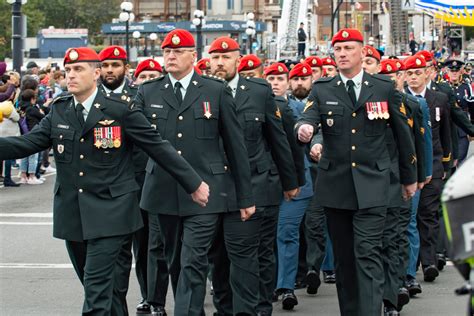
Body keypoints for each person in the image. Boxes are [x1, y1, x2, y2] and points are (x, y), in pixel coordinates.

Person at [0, 47, 209, 316]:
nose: (71, 75)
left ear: (96, 73)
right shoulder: (60, 110)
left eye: (78, 69)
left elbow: (157, 146)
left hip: (112, 213)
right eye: (68, 71)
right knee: (103, 292)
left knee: (97, 292)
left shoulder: (121, 110)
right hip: (73, 214)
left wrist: (193, 183)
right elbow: (27, 143)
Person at [296, 28, 417, 316]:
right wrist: (305, 129)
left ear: (362, 52)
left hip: (374, 184)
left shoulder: (383, 87)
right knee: (345, 262)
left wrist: (410, 178)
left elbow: (403, 136)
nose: (341, 53)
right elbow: (307, 116)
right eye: (337, 49)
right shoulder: (323, 88)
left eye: (348, 48)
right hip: (336, 187)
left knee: (368, 255)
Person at [135, 29, 255, 316]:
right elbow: (136, 138)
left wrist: (245, 196)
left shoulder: (215, 90)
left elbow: (235, 146)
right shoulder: (148, 91)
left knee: (193, 259)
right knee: (175, 261)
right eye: (166, 51)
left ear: (193, 56)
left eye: (178, 51)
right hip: (163, 191)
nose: (171, 56)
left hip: (206, 191)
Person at [208, 36, 298, 316]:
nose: (220, 63)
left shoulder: (258, 91)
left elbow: (277, 138)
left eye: (226, 57)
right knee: (220, 258)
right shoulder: (204, 91)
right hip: (218, 188)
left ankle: (260, 307)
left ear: (238, 59)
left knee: (259, 253)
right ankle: (225, 308)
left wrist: (291, 182)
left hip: (259, 184)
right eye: (215, 58)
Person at [98, 44, 151, 314]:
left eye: (115, 65)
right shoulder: (90, 97)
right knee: (115, 254)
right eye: (105, 66)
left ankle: (148, 296)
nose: (110, 71)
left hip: (140, 184)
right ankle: (116, 304)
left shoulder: (138, 97)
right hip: (107, 192)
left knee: (143, 248)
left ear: (125, 69)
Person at [267, 62, 313, 311]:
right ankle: (269, 284)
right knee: (267, 237)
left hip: (296, 182)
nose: (275, 83)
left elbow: (307, 134)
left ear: (287, 82)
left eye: (279, 78)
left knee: (286, 233)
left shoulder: (299, 108)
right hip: (265, 182)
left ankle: (285, 287)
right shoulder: (256, 105)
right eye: (270, 78)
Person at [404, 54, 452, 283]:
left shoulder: (439, 99)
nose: (413, 77)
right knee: (411, 218)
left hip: (433, 164)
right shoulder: (401, 100)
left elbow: (446, 134)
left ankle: (430, 261)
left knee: (428, 214)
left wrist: (446, 162)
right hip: (410, 168)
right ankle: (411, 265)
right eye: (409, 74)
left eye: (417, 73)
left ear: (426, 74)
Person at [444, 59, 473, 165]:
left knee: (461, 160)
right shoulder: (443, 87)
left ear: (461, 71)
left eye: (456, 70)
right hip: (448, 126)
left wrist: (471, 129)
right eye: (452, 71)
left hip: (462, 129)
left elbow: (472, 108)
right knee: (449, 160)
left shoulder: (466, 87)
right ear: (447, 71)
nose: (454, 73)